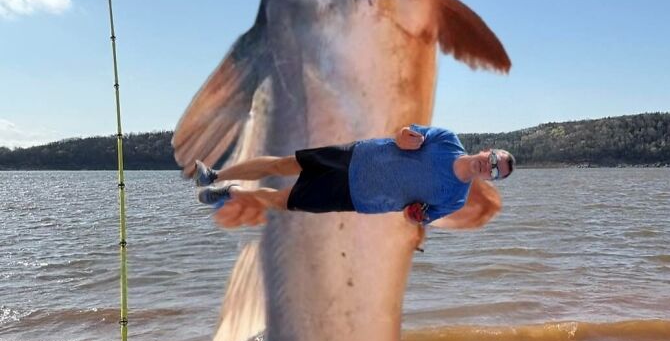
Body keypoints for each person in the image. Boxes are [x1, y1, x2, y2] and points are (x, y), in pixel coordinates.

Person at [195, 126, 515, 231]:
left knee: (283, 200)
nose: (490, 167)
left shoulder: (455, 198)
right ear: (487, 150)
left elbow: (415, 217)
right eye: (493, 160)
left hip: (357, 198)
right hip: (356, 156)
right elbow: (405, 131)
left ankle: (230, 191)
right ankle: (215, 174)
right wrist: (403, 136)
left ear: (492, 180)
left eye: (495, 172)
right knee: (283, 164)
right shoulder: (446, 139)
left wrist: (416, 216)